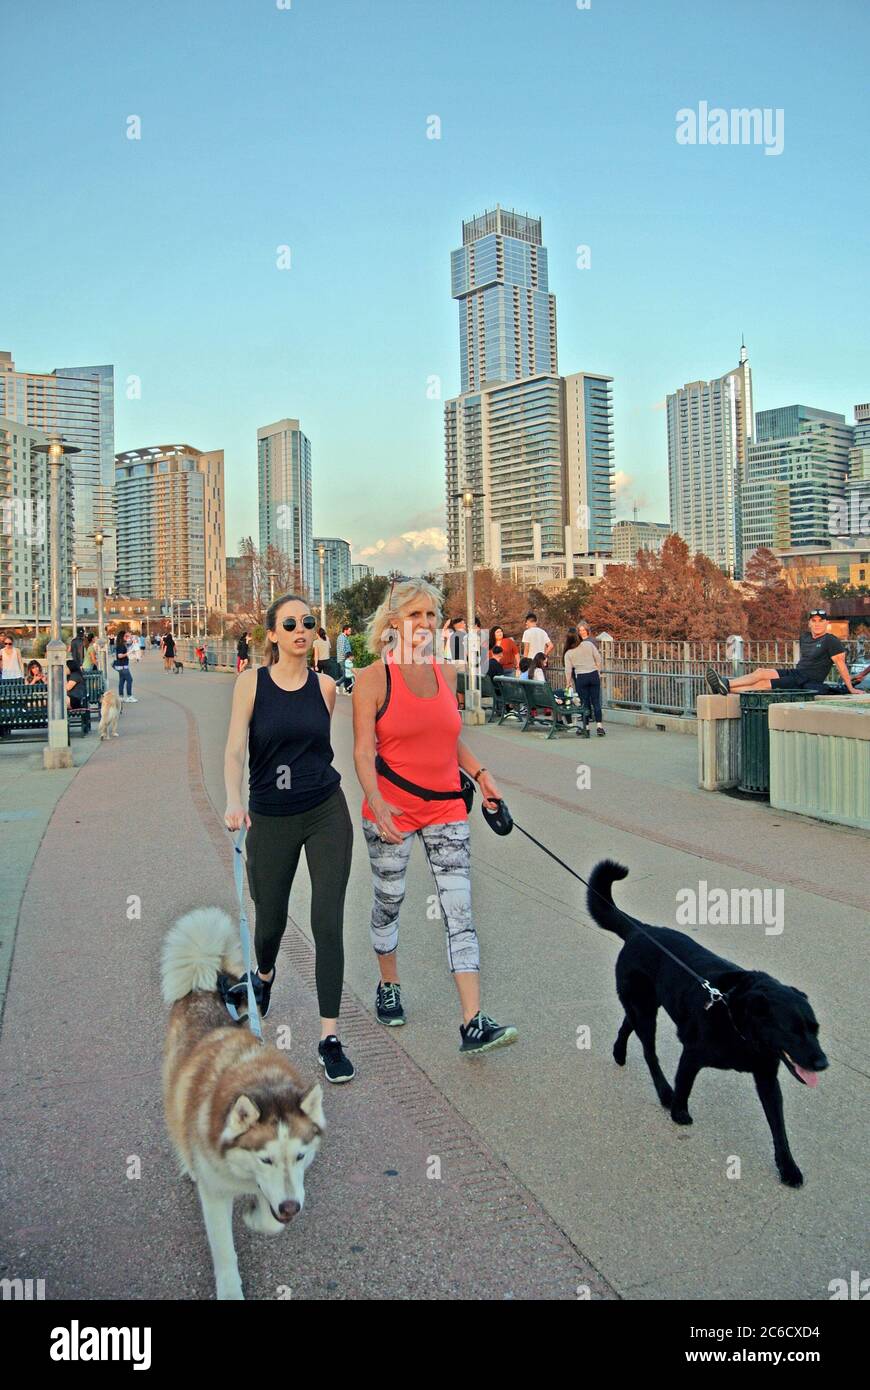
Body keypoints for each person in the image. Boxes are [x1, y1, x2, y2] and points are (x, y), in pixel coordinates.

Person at [352, 578, 517, 1055]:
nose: (425, 624)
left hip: (447, 804)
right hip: (393, 810)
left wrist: (482, 775)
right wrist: (376, 800)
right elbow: (364, 752)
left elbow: (447, 735)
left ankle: (473, 1022)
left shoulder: (443, 672)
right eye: (415, 615)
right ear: (393, 622)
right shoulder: (372, 678)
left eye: (431, 615)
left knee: (460, 911)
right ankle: (389, 984)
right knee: (390, 900)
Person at [224, 593, 356, 1084]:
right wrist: (232, 800)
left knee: (327, 919)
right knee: (271, 920)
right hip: (270, 815)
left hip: (325, 810)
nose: (301, 629)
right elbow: (236, 749)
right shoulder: (250, 685)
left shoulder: (325, 687)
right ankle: (263, 976)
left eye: (308, 622)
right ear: (273, 635)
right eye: (290, 623)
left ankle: (329, 1037)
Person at [706, 611, 860, 696]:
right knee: (761, 672)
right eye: (814, 621)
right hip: (796, 672)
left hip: (807, 680)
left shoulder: (831, 640)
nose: (817, 624)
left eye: (821, 621)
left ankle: (726, 686)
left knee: (763, 684)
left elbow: (840, 665)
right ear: (809, 623)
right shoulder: (805, 637)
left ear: (827, 623)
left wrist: (850, 688)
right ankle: (725, 684)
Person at [566, 622, 605, 735]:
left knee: (585, 703)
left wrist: (568, 682)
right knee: (596, 702)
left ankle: (586, 727)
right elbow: (598, 658)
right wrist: (597, 670)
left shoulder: (569, 653)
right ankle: (599, 727)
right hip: (593, 674)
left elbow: (568, 670)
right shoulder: (589, 645)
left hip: (581, 677)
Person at [114, 630, 137, 702]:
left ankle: (121, 697)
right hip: (123, 666)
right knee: (129, 680)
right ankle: (129, 696)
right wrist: (128, 653)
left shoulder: (121, 644)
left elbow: (130, 642)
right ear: (122, 637)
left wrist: (130, 637)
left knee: (122, 681)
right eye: (125, 636)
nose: (126, 637)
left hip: (121, 666)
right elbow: (119, 655)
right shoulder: (121, 645)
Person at [336, 623, 353, 692]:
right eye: (349, 631)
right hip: (343, 659)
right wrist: (347, 658)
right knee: (346, 675)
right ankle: (337, 684)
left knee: (347, 674)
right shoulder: (342, 637)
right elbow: (342, 649)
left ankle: (347, 689)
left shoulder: (345, 637)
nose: (350, 632)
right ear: (345, 630)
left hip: (346, 659)